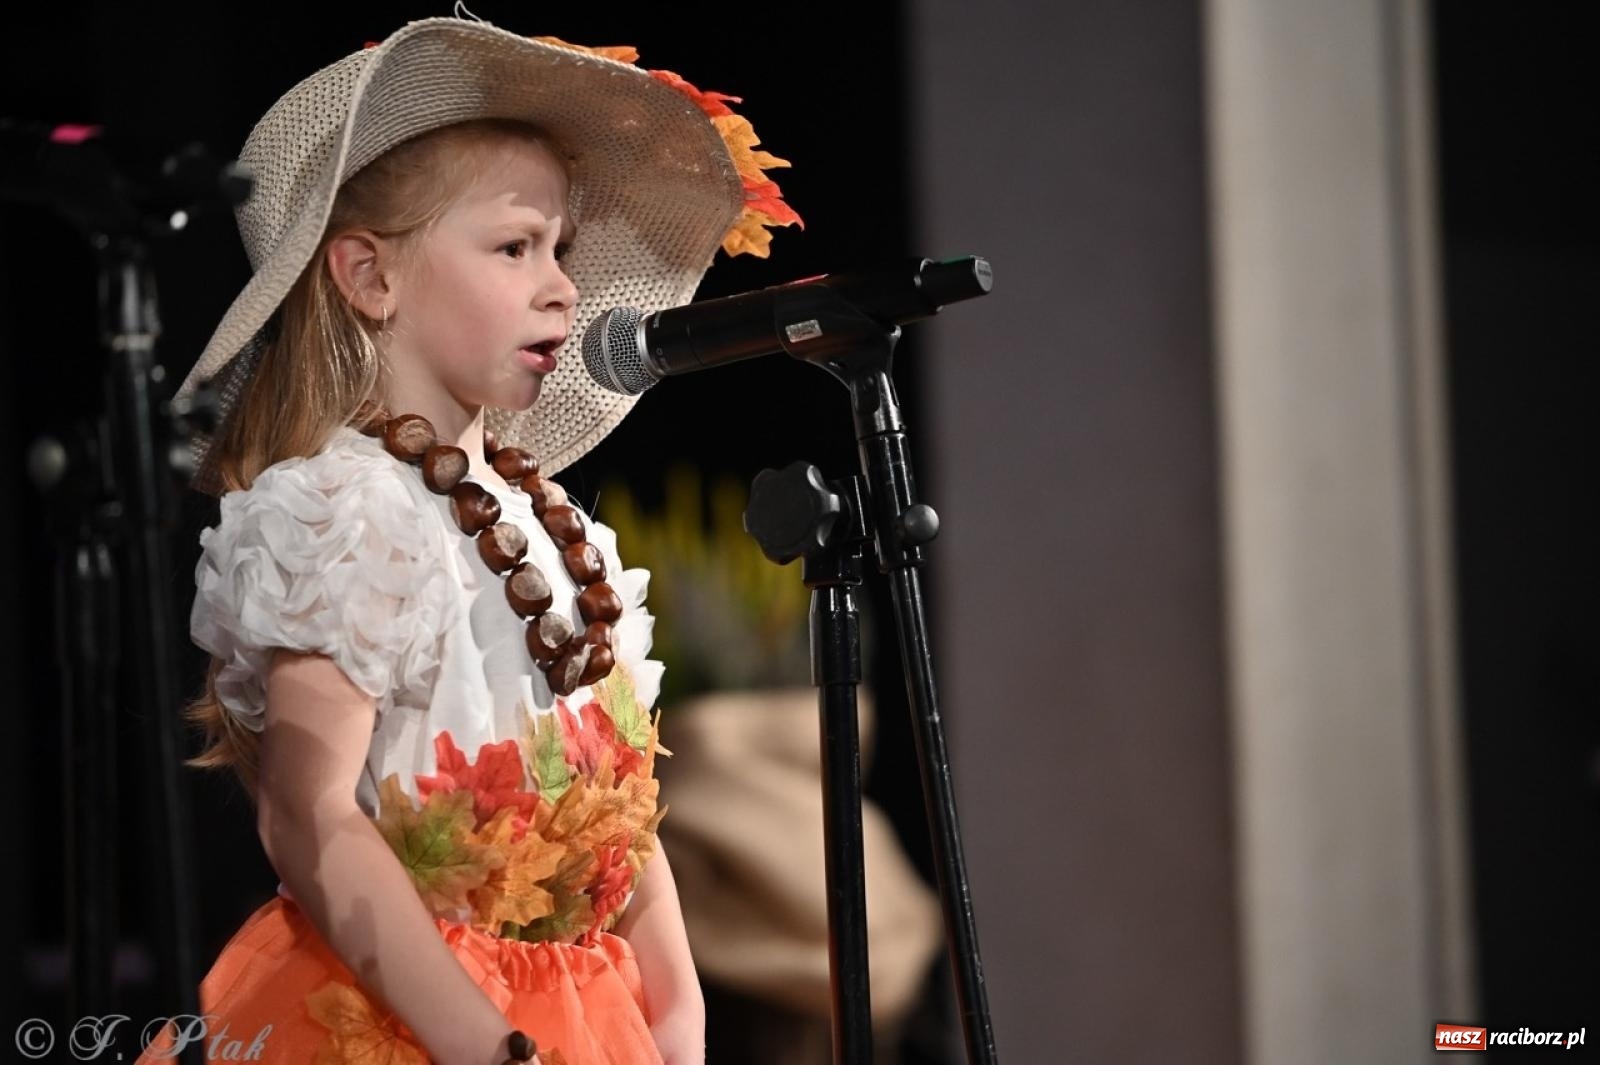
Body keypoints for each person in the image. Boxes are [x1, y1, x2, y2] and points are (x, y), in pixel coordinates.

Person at [136, 15, 800, 1065]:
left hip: (590, 1021)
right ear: (369, 278)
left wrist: (677, 1018)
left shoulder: (560, 524)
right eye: (513, 246)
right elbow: (307, 819)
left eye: (561, 250)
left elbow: (618, 808)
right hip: (412, 1020)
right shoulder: (345, 511)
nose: (563, 287)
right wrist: (485, 1045)